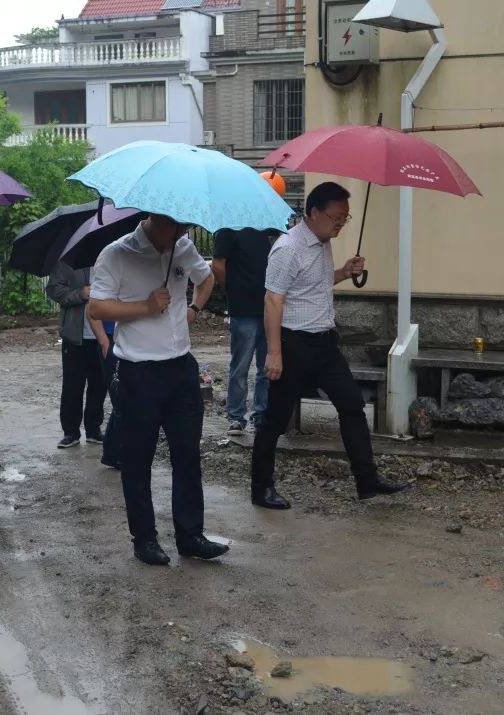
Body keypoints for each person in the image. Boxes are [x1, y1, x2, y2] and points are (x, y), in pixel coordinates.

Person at [250, 182, 408, 510]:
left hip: (325, 344)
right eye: (336, 218)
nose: (339, 225)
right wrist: (274, 353)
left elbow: (313, 285)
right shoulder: (288, 247)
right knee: (275, 420)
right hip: (293, 345)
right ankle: (261, 488)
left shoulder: (322, 242)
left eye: (345, 219)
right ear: (313, 212)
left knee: (351, 406)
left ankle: (367, 481)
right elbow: (273, 300)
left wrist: (344, 273)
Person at [88, 213, 229, 565]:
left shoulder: (182, 247)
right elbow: (97, 305)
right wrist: (145, 307)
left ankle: (191, 535)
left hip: (181, 368)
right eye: (173, 227)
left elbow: (207, 277)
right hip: (138, 372)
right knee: (138, 459)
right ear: (152, 217)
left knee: (188, 454)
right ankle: (145, 538)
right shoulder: (116, 254)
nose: (179, 234)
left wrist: (194, 308)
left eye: (184, 228)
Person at [213, 227, 280, 435]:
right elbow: (217, 265)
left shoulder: (267, 228)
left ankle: (261, 414)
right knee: (241, 365)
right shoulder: (227, 229)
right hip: (243, 308)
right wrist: (232, 290)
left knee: (266, 366)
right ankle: (236, 416)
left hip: (268, 305)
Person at [46, 261, 110, 449]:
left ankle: (93, 429)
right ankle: (71, 432)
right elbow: (54, 290)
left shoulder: (108, 259)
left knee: (99, 384)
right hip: (75, 335)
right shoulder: (65, 261)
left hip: (103, 334)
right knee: (72, 385)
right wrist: (80, 294)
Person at [99, 319, 122, 470]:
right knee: (121, 399)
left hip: (128, 339)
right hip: (112, 338)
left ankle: (113, 454)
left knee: (123, 400)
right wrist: (103, 341)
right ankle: (118, 454)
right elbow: (92, 312)